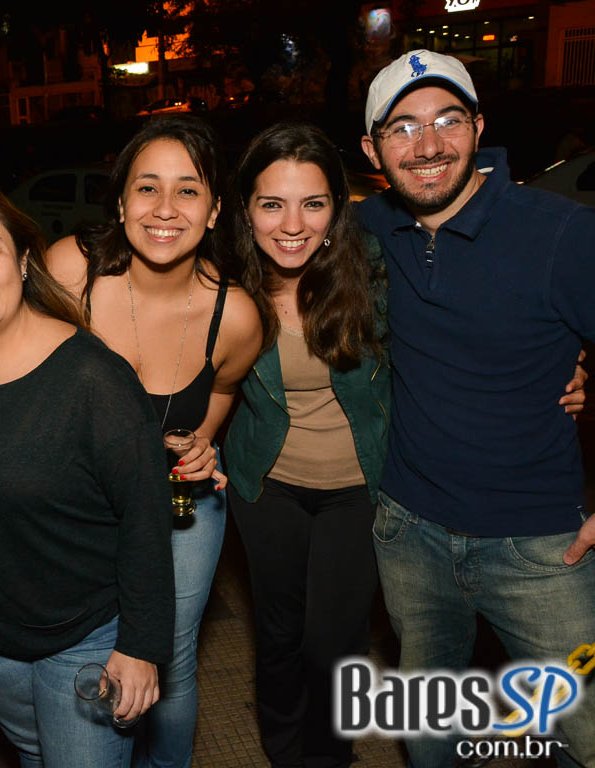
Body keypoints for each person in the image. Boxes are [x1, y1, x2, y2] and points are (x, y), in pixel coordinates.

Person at [0, 170, 176, 768]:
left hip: (85, 640)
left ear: (22, 260)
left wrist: (142, 647)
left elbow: (146, 521)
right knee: (32, 756)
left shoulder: (95, 382)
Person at [358, 49, 595, 767]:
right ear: (372, 150)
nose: (426, 146)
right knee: (430, 734)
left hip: (541, 547)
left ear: (478, 126)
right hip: (409, 533)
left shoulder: (561, 232)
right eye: (402, 128)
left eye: (446, 120)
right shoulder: (371, 228)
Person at [45, 115, 263, 768]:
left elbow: (221, 389)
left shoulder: (236, 313)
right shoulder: (70, 272)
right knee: (88, 647)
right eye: (147, 188)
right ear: (119, 200)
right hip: (80, 503)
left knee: (168, 655)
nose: (166, 209)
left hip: (181, 508)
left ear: (216, 208)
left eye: (188, 190)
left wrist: (202, 439)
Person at [221, 122, 389, 768]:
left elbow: (459, 336)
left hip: (357, 488)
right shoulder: (227, 284)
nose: (293, 224)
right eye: (272, 204)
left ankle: (327, 755)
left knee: (333, 642)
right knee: (279, 633)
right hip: (266, 487)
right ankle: (284, 749)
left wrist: (555, 375)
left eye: (313, 203)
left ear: (337, 208)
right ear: (247, 210)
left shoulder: (374, 273)